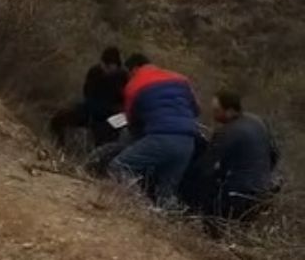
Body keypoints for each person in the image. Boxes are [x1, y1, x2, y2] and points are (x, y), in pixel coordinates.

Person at [108, 53, 200, 206]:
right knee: (166, 192)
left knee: (119, 166)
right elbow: (196, 109)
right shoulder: (181, 79)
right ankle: (165, 223)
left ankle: (138, 205)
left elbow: (132, 121)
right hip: (188, 141)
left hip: (161, 137)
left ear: (134, 69)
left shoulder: (134, 85)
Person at [192, 91, 279, 226]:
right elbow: (274, 154)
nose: (214, 114)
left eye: (217, 111)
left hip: (236, 195)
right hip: (262, 192)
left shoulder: (227, 132)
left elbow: (206, 168)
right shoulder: (257, 122)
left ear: (230, 111)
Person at [50, 47, 128, 149]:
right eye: (105, 65)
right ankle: (59, 147)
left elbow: (125, 103)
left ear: (117, 66)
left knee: (104, 140)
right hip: (90, 109)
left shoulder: (123, 77)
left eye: (110, 67)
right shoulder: (95, 72)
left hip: (110, 118)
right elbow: (87, 93)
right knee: (59, 118)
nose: (107, 69)